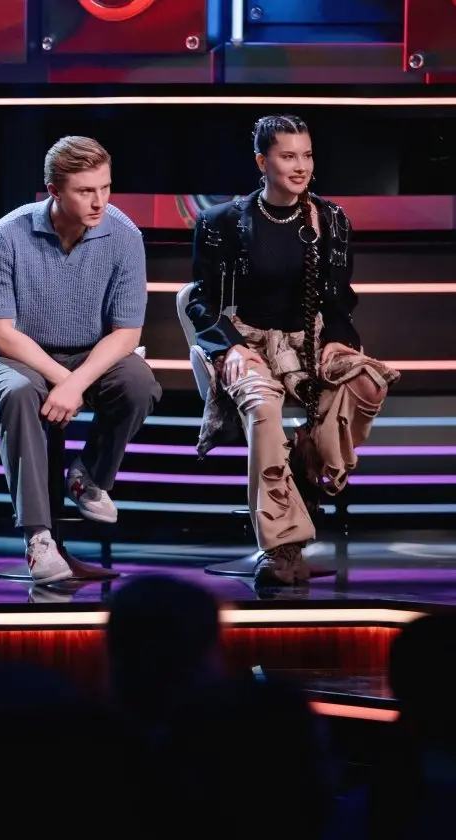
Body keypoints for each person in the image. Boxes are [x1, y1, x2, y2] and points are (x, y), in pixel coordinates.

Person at [187, 115, 399, 586]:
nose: (301, 166)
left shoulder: (331, 219)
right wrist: (231, 347)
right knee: (263, 409)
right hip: (248, 342)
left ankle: (312, 465)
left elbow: (339, 299)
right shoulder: (222, 221)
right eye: (287, 156)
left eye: (307, 155)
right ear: (262, 162)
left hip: (310, 340)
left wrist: (339, 339)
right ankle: (280, 546)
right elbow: (201, 301)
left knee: (368, 381)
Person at [0, 136, 161, 585]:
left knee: (139, 383)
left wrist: (76, 382)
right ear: (54, 191)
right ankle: (38, 537)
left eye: (105, 187)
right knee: (18, 393)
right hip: (24, 353)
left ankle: (89, 475)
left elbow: (126, 333)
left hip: (92, 353)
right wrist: (64, 379)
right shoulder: (8, 233)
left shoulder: (124, 236)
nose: (99, 201)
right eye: (85, 191)